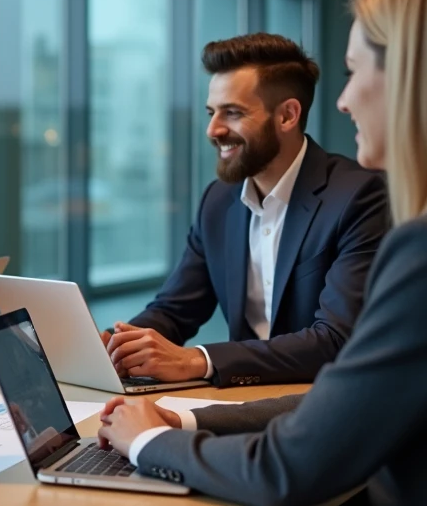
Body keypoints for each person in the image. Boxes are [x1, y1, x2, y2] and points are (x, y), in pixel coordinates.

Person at [99, 0, 427, 506]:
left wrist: (152, 443)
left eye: (356, 72)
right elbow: (340, 395)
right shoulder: (221, 201)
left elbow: (302, 453)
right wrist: (185, 415)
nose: (347, 99)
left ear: (415, 78)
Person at [104, 33, 388, 387]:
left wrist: (198, 359)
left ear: (287, 115)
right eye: (211, 112)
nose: (213, 130)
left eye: (233, 113)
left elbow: (334, 339)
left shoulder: (358, 196)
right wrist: (117, 345)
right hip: (238, 404)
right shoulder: (218, 201)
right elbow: (174, 309)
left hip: (321, 404)